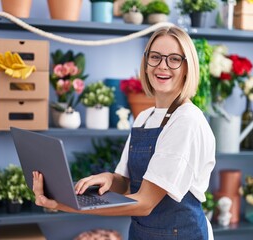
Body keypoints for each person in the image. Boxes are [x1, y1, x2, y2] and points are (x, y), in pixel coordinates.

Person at [32, 26, 216, 240]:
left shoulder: (186, 121)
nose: (162, 66)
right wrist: (109, 178)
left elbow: (145, 203)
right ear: (146, 64)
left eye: (174, 59)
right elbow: (128, 183)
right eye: (155, 57)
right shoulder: (145, 117)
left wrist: (65, 205)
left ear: (187, 67)